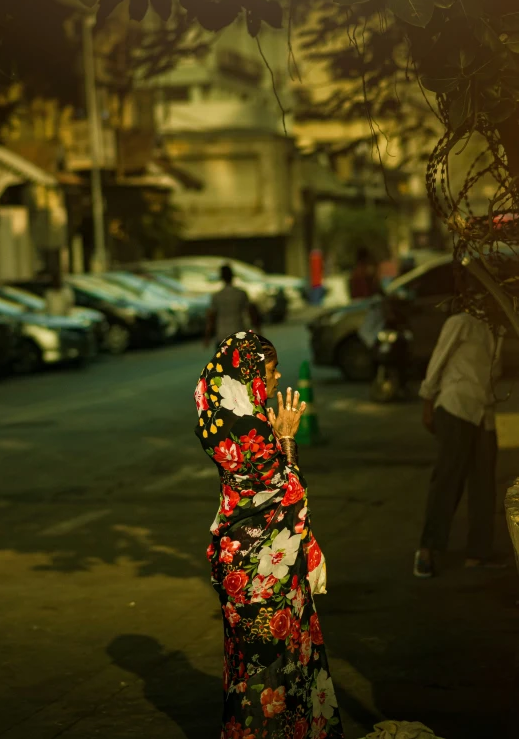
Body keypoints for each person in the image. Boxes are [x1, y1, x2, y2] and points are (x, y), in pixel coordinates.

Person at [194, 331, 344, 738]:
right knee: (274, 675)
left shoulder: (220, 418)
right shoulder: (252, 430)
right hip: (264, 571)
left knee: (247, 670)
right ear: (253, 374)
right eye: (272, 371)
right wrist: (288, 439)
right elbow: (288, 490)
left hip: (236, 560)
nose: (277, 380)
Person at [414, 309, 504, 578]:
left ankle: (478, 553)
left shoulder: (498, 327)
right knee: (448, 481)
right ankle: (428, 551)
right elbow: (438, 360)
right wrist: (427, 401)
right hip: (455, 408)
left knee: (484, 484)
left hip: (483, 414)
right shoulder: (461, 322)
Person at [204, 264, 261, 348]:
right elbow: (252, 313)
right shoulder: (241, 294)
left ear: (221, 277)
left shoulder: (217, 296)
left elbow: (211, 318)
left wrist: (207, 337)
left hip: (222, 336)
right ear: (232, 276)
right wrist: (258, 331)